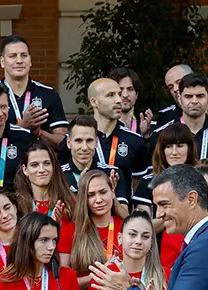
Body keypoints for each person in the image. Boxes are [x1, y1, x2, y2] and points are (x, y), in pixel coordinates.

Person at [134, 122, 196, 269]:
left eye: (180, 145)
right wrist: (178, 213)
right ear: (161, 151)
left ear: (189, 149)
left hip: (194, 252)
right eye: (168, 146)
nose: (174, 152)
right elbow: (144, 227)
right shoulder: (148, 182)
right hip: (156, 257)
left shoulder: (199, 180)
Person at [151, 74, 208, 171]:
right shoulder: (161, 134)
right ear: (180, 99)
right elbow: (155, 174)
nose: (194, 101)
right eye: (188, 96)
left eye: (200, 96)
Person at [0, 35, 69, 148]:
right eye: (13, 56)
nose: (19, 61)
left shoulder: (48, 94)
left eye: (24, 55)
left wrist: (39, 133)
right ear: (2, 61)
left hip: (41, 164)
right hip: (3, 163)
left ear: (30, 60)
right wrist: (23, 125)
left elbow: (64, 143)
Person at [87, 77, 151, 186]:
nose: (119, 100)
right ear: (94, 102)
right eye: (111, 95)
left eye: (119, 94)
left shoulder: (135, 140)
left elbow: (138, 185)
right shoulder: (76, 139)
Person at [61, 115, 131, 214]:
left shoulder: (112, 173)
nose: (84, 147)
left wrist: (111, 194)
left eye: (89, 140)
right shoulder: (58, 175)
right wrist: (80, 191)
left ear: (96, 142)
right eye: (78, 141)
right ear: (69, 143)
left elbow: (125, 216)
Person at [14, 141, 73, 223]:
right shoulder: (15, 207)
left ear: (53, 166)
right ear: (25, 170)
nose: (41, 170)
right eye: (34, 165)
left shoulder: (70, 203)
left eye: (47, 163)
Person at [109, 67, 152, 135]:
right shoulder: (103, 128)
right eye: (120, 89)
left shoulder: (144, 127)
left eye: (130, 89)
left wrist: (144, 135)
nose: (125, 95)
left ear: (137, 94)